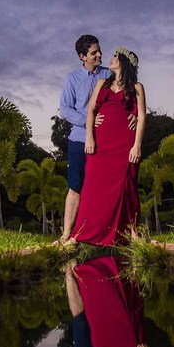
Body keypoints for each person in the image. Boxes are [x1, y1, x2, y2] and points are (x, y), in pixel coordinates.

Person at [69, 46, 146, 247]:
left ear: (124, 62)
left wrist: (137, 145)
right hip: (101, 144)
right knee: (92, 187)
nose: (110, 59)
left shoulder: (137, 87)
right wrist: (89, 138)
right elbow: (91, 111)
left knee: (127, 187)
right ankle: (80, 233)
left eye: (115, 56)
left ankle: (131, 233)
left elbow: (142, 116)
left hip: (125, 143)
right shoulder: (102, 83)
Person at [57, 35, 112, 246]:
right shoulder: (72, 79)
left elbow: (125, 93)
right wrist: (87, 121)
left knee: (103, 186)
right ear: (82, 57)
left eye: (99, 50)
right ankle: (66, 234)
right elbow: (65, 108)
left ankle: (103, 235)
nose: (99, 55)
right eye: (93, 53)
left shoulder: (108, 74)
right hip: (79, 140)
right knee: (75, 186)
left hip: (105, 141)